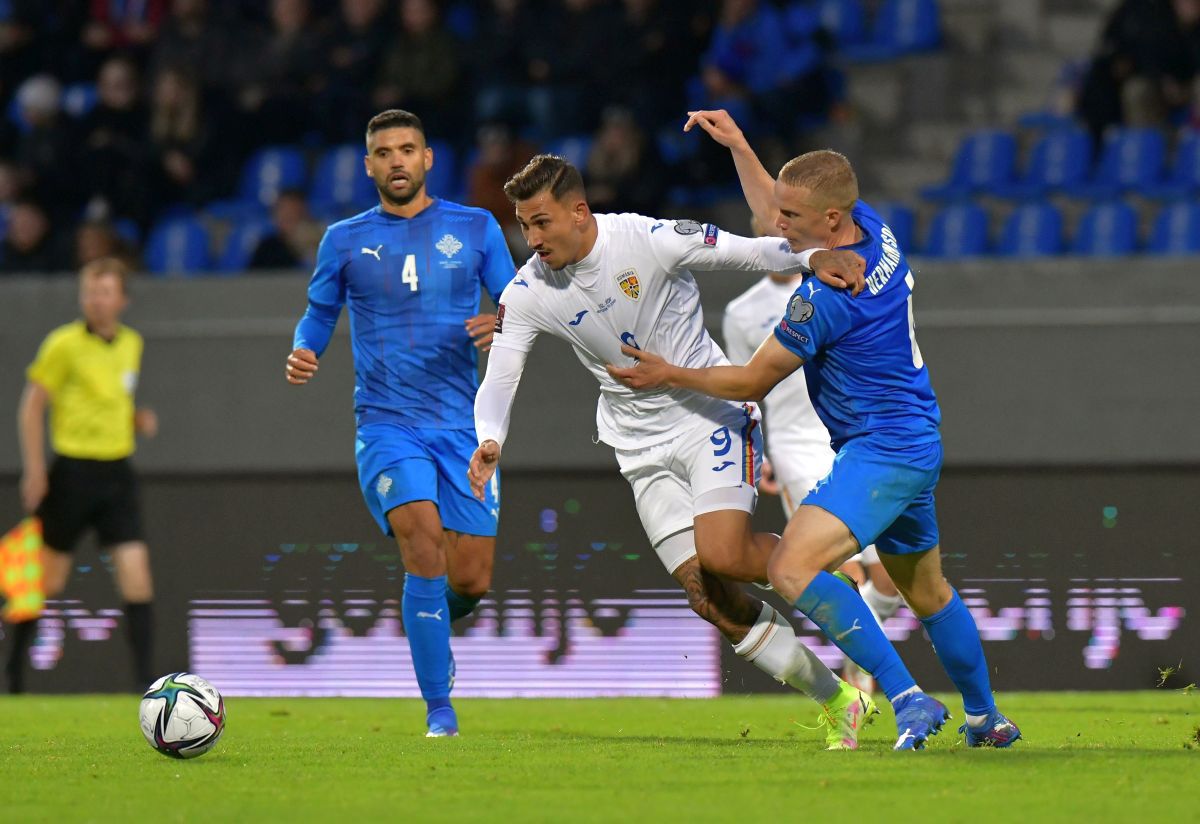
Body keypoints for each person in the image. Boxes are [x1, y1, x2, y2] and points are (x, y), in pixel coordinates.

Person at [608, 109, 1022, 750]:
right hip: (914, 436)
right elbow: (785, 210)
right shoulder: (876, 231)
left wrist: (669, 373)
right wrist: (742, 145)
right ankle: (985, 717)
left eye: (792, 221)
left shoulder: (823, 299)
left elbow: (749, 383)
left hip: (881, 448)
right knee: (927, 591)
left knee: (792, 566)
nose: (778, 229)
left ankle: (907, 699)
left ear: (831, 222)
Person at [467, 153, 882, 751]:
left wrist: (814, 256)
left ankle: (815, 566)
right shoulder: (529, 289)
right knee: (706, 593)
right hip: (636, 445)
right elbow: (501, 376)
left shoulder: (647, 239)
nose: (530, 239)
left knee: (723, 552)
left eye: (540, 223)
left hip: (707, 415)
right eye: (523, 225)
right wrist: (491, 439)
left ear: (579, 213)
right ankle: (839, 699)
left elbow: (750, 250)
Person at [285, 109, 514, 738]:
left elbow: (521, 305)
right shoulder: (343, 239)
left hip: (463, 428)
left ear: (428, 158)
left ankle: (432, 624)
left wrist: (500, 325)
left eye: (407, 149)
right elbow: (318, 311)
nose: (396, 161)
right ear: (368, 165)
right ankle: (440, 710)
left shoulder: (475, 227)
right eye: (383, 152)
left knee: (470, 578)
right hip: (387, 424)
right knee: (420, 540)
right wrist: (306, 347)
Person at [722, 216, 904, 695]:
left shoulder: (839, 283)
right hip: (795, 446)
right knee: (846, 571)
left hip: (849, 437)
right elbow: (747, 390)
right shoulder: (742, 312)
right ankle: (865, 680)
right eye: (771, 228)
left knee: (888, 579)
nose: (782, 235)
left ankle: (859, 659)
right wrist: (757, 453)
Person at [8, 257, 158, 693]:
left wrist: (135, 419)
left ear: (122, 299)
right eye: (91, 291)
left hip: (117, 474)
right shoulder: (63, 345)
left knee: (137, 577)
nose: (97, 300)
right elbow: (32, 407)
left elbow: (109, 401)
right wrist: (35, 470)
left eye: (105, 291)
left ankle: (147, 687)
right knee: (47, 581)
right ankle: (13, 678)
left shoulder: (132, 343)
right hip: (72, 473)